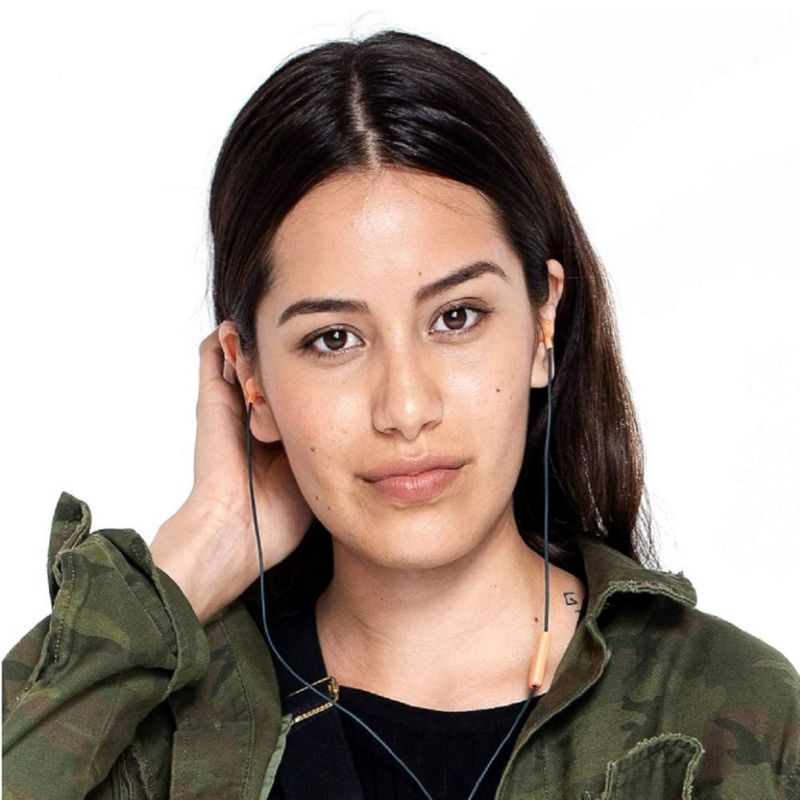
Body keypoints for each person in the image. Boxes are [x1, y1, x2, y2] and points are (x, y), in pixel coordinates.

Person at [3, 28, 799, 800]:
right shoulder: (158, 731)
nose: (407, 409)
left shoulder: (725, 715)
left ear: (542, 323)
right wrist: (204, 543)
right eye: (334, 338)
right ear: (249, 377)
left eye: (456, 317)